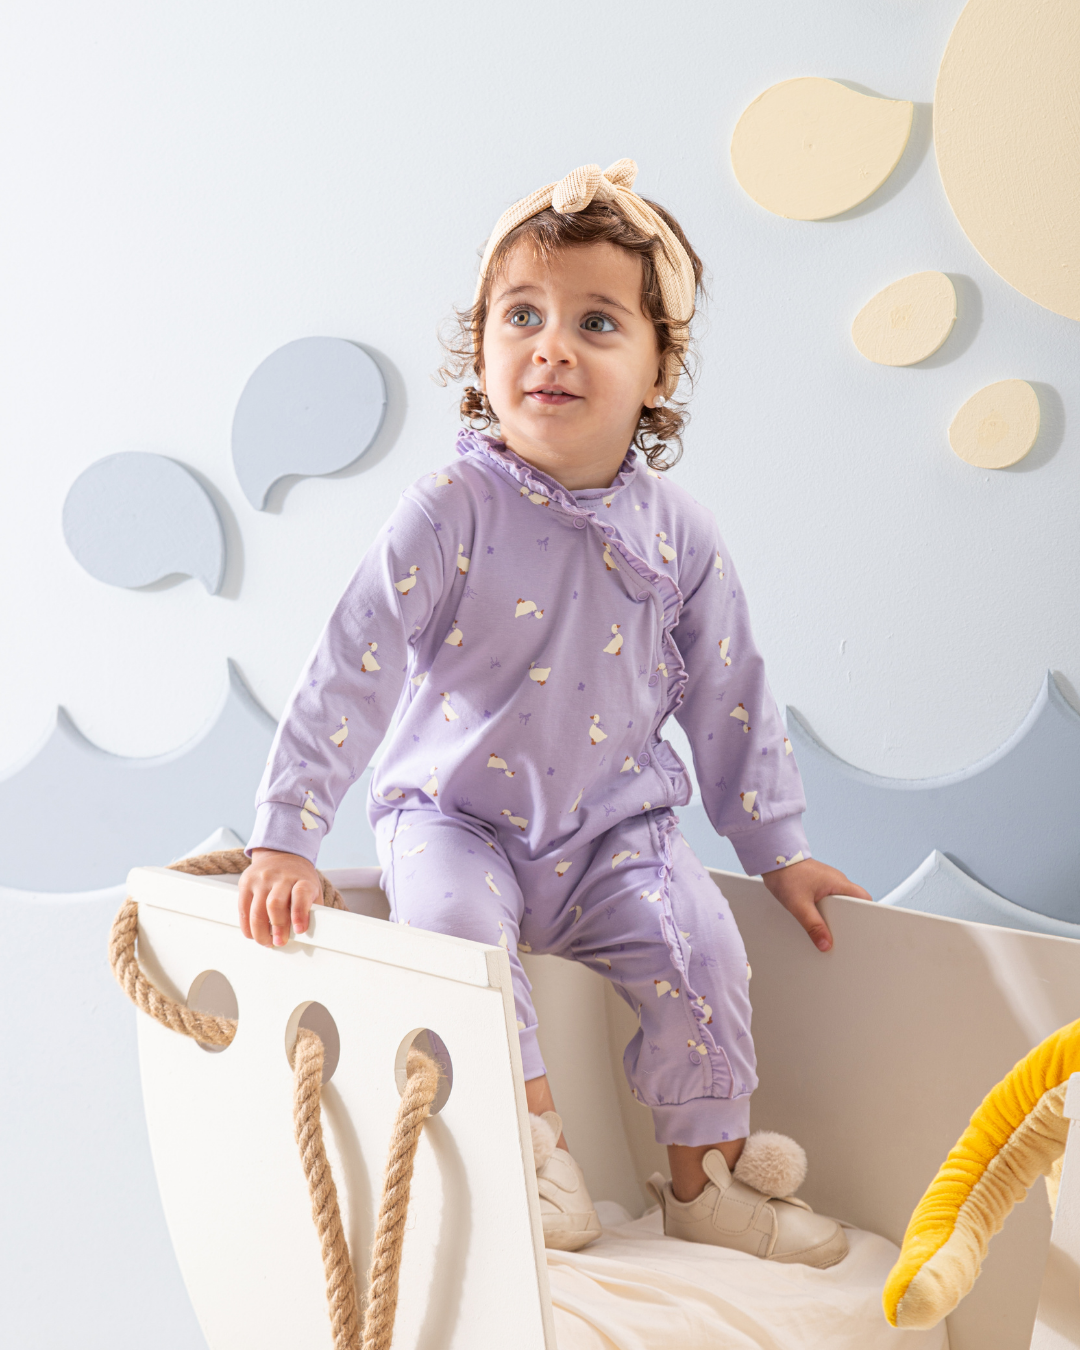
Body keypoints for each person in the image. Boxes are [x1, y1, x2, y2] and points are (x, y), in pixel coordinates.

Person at [238, 159, 870, 1264]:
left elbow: (732, 693)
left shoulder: (680, 533)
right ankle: (535, 1153)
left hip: (616, 830)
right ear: (480, 350)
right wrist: (286, 834)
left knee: (703, 949)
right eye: (521, 316)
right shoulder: (448, 510)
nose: (552, 347)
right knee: (452, 944)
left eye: (597, 322)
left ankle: (706, 1184)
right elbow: (352, 663)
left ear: (659, 366)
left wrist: (778, 849)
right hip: (453, 818)